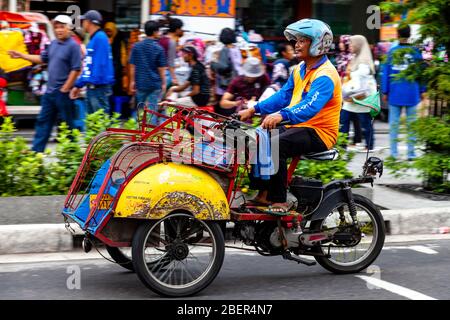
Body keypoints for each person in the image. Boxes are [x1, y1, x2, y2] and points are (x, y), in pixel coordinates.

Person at [238, 19, 341, 212]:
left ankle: (279, 200)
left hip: (319, 132)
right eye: (296, 40)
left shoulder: (325, 75)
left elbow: (310, 106)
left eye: (302, 40)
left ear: (317, 43)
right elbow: (283, 96)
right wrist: (254, 109)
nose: (296, 44)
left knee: (277, 145)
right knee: (258, 137)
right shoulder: (300, 70)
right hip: (298, 126)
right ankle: (263, 194)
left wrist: (281, 115)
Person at [8, 15, 81, 153]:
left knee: (67, 125)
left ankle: (73, 155)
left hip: (63, 94)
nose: (59, 30)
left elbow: (76, 69)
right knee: (43, 122)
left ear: (69, 28)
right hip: (49, 92)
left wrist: (65, 88)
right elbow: (42, 58)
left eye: (62, 27)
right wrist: (22, 55)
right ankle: (36, 152)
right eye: (57, 27)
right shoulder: (53, 44)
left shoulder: (73, 46)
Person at [382, 25, 426, 160]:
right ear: (410, 35)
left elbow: (386, 72)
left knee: (394, 125)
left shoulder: (392, 52)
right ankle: (411, 154)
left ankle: (394, 154)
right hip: (412, 92)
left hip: (395, 92)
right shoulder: (415, 52)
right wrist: (423, 90)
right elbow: (421, 73)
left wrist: (385, 91)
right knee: (411, 125)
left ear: (397, 34)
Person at [70, 10, 115, 114]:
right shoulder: (95, 38)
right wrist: (79, 85)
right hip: (93, 88)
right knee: (92, 126)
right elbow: (89, 66)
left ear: (89, 22)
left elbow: (98, 66)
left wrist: (82, 83)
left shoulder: (100, 38)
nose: (82, 24)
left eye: (83, 21)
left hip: (98, 89)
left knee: (98, 125)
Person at [341, 35, 377, 151]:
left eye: (352, 44)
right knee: (344, 119)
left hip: (361, 98)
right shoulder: (355, 58)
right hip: (352, 97)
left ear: (358, 45)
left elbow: (362, 82)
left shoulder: (363, 61)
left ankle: (369, 145)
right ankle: (342, 144)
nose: (350, 46)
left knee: (365, 122)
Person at [129, 20, 167, 124]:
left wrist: (132, 82)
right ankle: (150, 135)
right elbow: (161, 68)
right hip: (154, 84)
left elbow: (132, 65)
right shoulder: (159, 48)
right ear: (155, 32)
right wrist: (164, 82)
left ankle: (136, 131)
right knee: (152, 110)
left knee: (140, 109)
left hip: (141, 83)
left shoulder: (136, 46)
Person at [210, 28, 243, 116]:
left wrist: (212, 64)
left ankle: (223, 129)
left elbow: (223, 67)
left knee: (223, 113)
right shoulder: (237, 49)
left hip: (225, 86)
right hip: (237, 83)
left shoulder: (225, 50)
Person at [336, 34, 362, 146]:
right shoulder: (341, 56)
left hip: (349, 87)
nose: (340, 44)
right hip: (341, 87)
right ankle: (347, 139)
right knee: (348, 113)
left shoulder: (352, 57)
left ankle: (353, 139)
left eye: (342, 42)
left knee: (351, 113)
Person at [104, 22, 128, 97]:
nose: (108, 33)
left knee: (116, 87)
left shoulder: (119, 40)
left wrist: (123, 66)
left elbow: (123, 53)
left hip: (117, 68)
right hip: (107, 67)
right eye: (106, 31)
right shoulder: (103, 39)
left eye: (110, 31)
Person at [159, 18, 184, 86]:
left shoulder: (161, 38)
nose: (181, 30)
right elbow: (170, 63)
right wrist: (174, 78)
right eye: (181, 28)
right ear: (177, 29)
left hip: (159, 71)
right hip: (166, 72)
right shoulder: (171, 42)